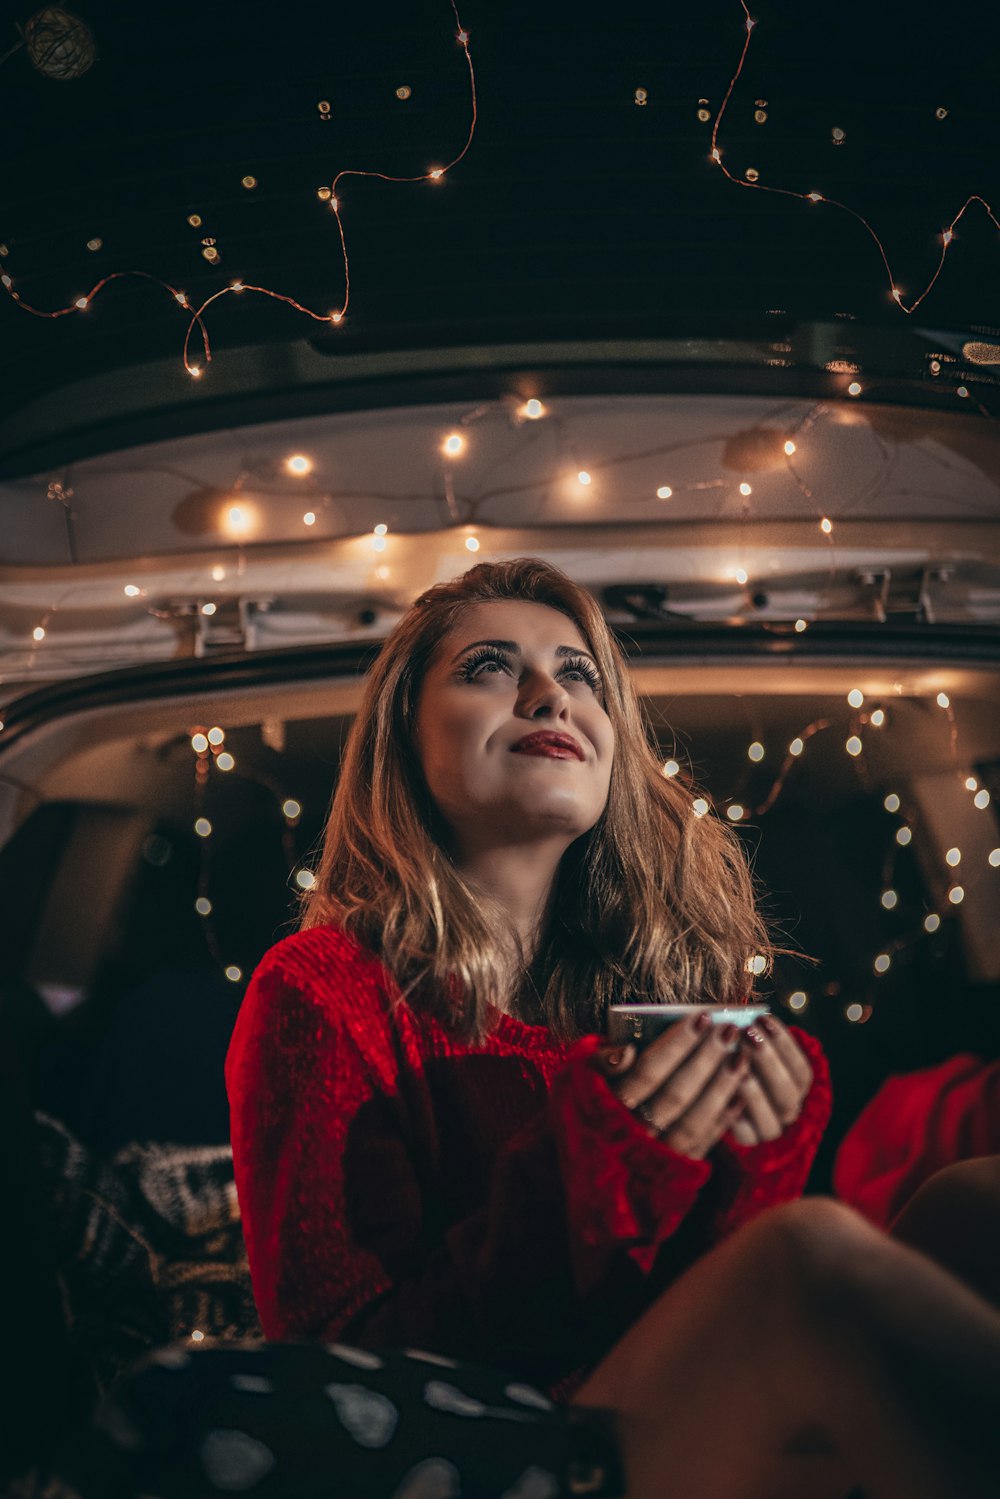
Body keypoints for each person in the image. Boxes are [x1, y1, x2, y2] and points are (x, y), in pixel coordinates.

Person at [227, 557, 1000, 1498]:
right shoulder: (321, 989)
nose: (551, 694)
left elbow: (691, 1297)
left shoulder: (652, 987)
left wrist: (746, 1162)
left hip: (668, 1413)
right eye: (489, 668)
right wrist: (598, 1164)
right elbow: (345, 1377)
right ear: (403, 738)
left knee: (973, 1198)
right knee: (809, 1252)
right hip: (497, 1451)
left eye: (579, 673)